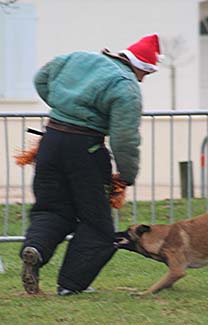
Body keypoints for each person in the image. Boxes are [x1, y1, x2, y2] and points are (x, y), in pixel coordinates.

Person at [20, 34, 161, 296]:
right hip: (86, 149)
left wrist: (64, 109)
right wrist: (127, 175)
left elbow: (40, 79)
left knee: (51, 209)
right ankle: (71, 285)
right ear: (142, 67)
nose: (142, 79)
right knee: (97, 225)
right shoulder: (126, 87)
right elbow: (125, 139)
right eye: (146, 74)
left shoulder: (78, 58)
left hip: (51, 140)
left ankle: (36, 250)